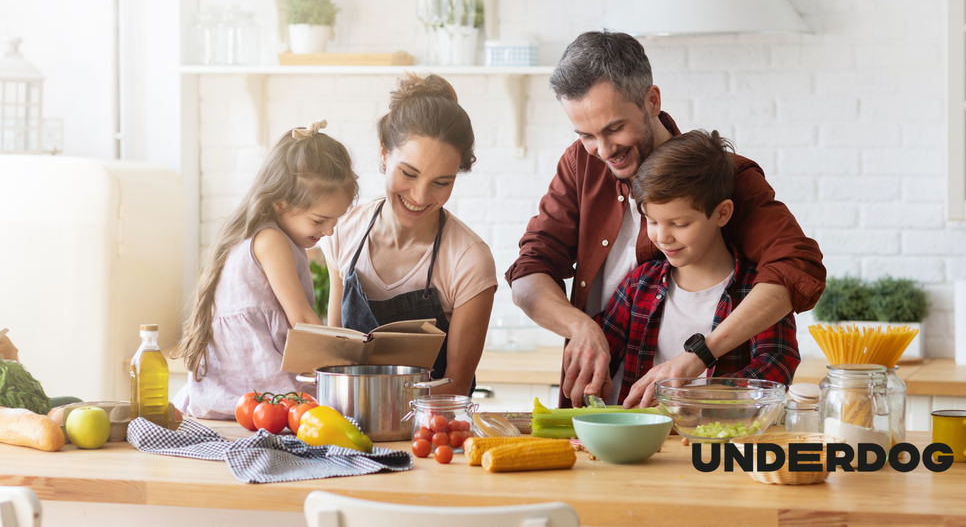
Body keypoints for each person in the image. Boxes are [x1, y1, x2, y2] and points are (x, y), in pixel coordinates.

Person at [506, 30, 825, 408]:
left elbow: (796, 266)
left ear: (652, 100)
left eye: (614, 129)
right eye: (586, 135)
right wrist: (579, 326)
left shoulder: (722, 177)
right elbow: (528, 273)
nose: (603, 151)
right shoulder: (581, 164)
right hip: (609, 412)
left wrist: (699, 359)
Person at [596, 130, 800, 408]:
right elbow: (600, 355)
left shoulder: (758, 292)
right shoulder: (638, 285)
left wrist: (692, 398)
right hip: (641, 443)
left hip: (722, 442)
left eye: (679, 224)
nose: (662, 237)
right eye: (652, 221)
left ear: (722, 213)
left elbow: (775, 369)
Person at [322, 73, 497, 397]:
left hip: (430, 433)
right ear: (384, 153)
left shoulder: (469, 260)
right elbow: (335, 358)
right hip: (348, 428)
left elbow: (456, 387)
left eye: (441, 182)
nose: (419, 196)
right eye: (409, 173)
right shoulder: (342, 232)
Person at [172, 121, 358, 419]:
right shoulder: (271, 240)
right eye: (319, 220)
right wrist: (343, 362)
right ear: (281, 203)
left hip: (236, 388)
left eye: (335, 221)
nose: (329, 231)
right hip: (257, 386)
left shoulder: (263, 234)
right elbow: (301, 319)